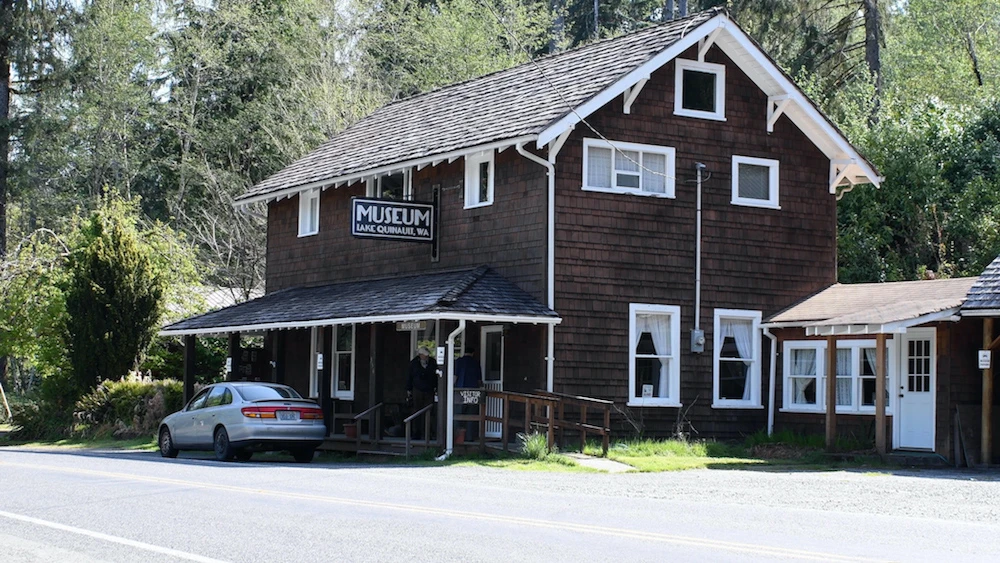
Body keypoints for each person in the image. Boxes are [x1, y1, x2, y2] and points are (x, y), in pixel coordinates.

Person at [405, 346, 438, 438]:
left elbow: (436, 375)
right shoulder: (413, 364)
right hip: (417, 389)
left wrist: (436, 387)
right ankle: (416, 432)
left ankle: (429, 432)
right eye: (424, 355)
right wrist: (409, 390)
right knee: (416, 411)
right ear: (420, 355)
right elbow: (409, 377)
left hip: (429, 389)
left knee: (429, 411)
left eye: (427, 355)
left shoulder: (432, 362)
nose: (426, 357)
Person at [453, 346, 483, 442]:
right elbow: (479, 380)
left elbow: (455, 377)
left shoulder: (458, 361)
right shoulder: (476, 363)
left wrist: (452, 388)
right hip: (473, 393)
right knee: (471, 416)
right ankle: (469, 437)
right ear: (473, 353)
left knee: (457, 415)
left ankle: (455, 438)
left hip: (460, 393)